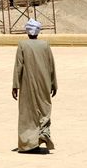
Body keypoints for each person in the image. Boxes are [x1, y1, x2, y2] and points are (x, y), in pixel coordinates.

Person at [12, 19, 58, 153]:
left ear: (27, 31)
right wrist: (54, 84)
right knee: (43, 109)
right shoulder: (45, 45)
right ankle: (42, 135)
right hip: (44, 83)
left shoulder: (22, 45)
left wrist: (15, 85)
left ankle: (29, 143)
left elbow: (18, 66)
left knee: (28, 113)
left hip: (27, 84)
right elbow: (51, 66)